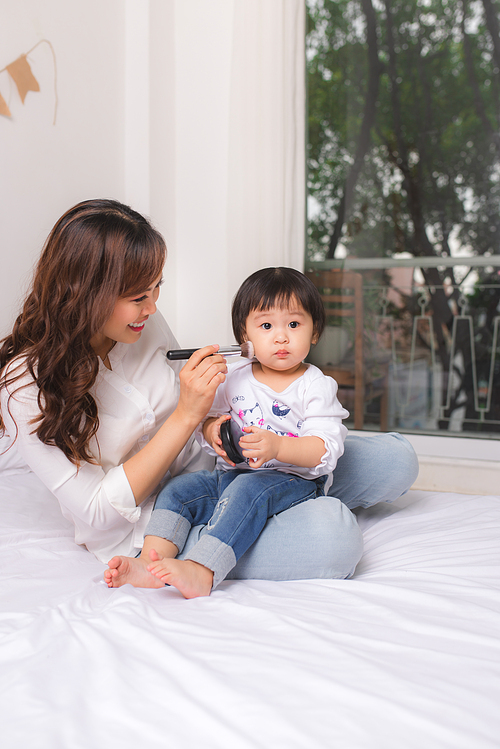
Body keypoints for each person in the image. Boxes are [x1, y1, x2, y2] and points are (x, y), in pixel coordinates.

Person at [0, 199, 418, 591]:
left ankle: (285, 499)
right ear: (85, 293)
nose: (152, 306)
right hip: (160, 519)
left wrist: (213, 424)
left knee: (395, 460)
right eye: (138, 297)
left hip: (224, 465)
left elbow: (198, 403)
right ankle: (209, 545)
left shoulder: (139, 322)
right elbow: (96, 511)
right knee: (335, 538)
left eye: (156, 287)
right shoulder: (23, 386)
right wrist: (187, 415)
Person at [105, 268, 350, 597]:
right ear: (243, 337)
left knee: (249, 488)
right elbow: (209, 422)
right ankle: (152, 561)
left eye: (294, 324)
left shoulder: (314, 386)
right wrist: (213, 432)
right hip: (229, 476)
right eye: (266, 326)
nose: (281, 337)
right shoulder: (234, 375)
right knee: (179, 490)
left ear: (314, 332)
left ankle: (203, 569)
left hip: (292, 480)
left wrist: (277, 447)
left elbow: (324, 450)